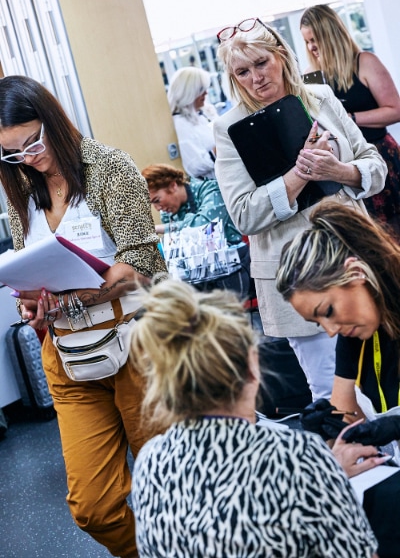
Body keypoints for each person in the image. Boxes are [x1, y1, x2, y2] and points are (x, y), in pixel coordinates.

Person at [0, 75, 167, 558]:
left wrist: (75, 294)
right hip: (67, 356)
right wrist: (32, 304)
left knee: (166, 484)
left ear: (53, 120)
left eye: (33, 142)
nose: (28, 157)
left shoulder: (109, 167)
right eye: (12, 153)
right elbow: (29, 270)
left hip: (134, 342)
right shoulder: (21, 189)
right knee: (94, 508)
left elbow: (142, 264)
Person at [129, 278, 378, 557]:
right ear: (252, 367)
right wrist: (324, 475)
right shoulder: (298, 456)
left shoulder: (150, 462)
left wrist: (323, 474)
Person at [213, 17, 387, 401]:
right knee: (335, 398)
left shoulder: (320, 97)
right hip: (299, 281)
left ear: (281, 55)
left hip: (356, 257)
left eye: (262, 63)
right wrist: (299, 174)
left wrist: (340, 171)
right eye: (242, 72)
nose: (256, 78)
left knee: (388, 377)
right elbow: (243, 214)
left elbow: (375, 166)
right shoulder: (230, 127)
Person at [276, 201, 400, 424]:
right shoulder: (353, 335)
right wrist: (328, 427)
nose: (331, 331)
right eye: (318, 322)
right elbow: (346, 416)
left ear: (356, 272)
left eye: (328, 311)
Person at [300, 3, 400, 237]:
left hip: (380, 157)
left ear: (331, 35)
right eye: (307, 41)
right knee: (368, 237)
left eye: (315, 39)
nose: (312, 47)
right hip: (345, 167)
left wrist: (349, 118)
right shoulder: (310, 77)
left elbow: (395, 109)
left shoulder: (364, 62)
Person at [142, 162, 250, 297]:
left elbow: (205, 227)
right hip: (197, 273)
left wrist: (163, 229)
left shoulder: (211, 190)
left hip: (231, 268)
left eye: (157, 200)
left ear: (173, 185)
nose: (158, 208)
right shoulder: (168, 213)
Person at [167, 66, 217, 179]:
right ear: (188, 93)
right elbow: (194, 167)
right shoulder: (180, 124)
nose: (206, 93)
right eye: (201, 90)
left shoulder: (203, 114)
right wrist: (219, 149)